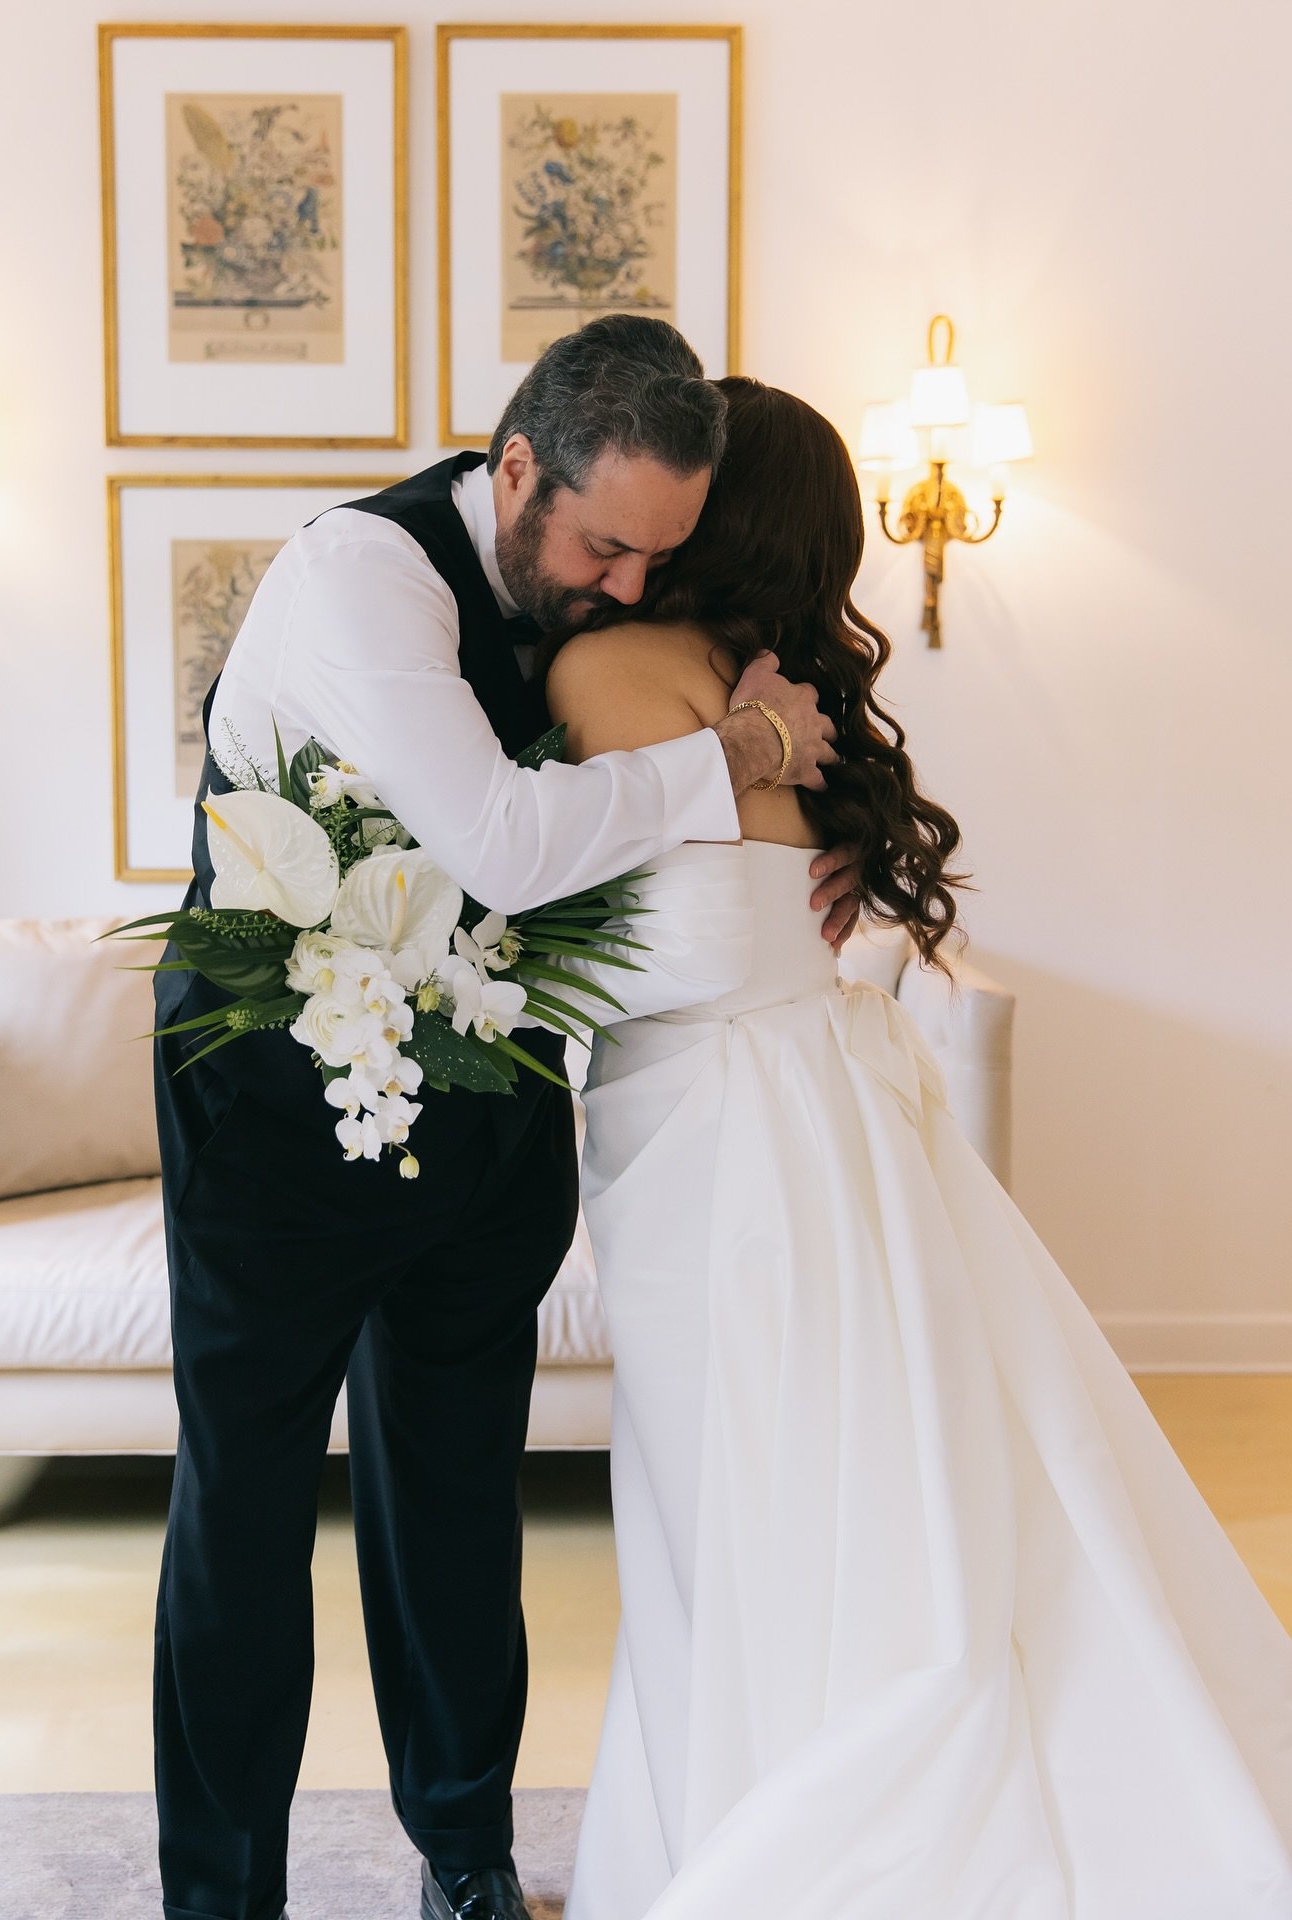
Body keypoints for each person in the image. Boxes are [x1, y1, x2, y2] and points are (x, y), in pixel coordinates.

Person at [545, 377, 1292, 1919]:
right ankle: (729, 1802)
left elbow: (594, 906)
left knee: (727, 1503)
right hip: (806, 1112)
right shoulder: (769, 693)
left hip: (723, 1142)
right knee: (827, 1489)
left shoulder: (613, 667)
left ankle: (739, 1822)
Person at [150, 319, 856, 1920]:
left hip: (494, 1111)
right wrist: (732, 756)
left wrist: (809, 850)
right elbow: (504, 841)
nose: (627, 586)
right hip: (274, 1114)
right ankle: (222, 1900)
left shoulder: (605, 598)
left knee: (460, 1498)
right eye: (608, 548)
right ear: (519, 465)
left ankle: (465, 1863)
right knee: (244, 1511)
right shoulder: (364, 574)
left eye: (660, 557)